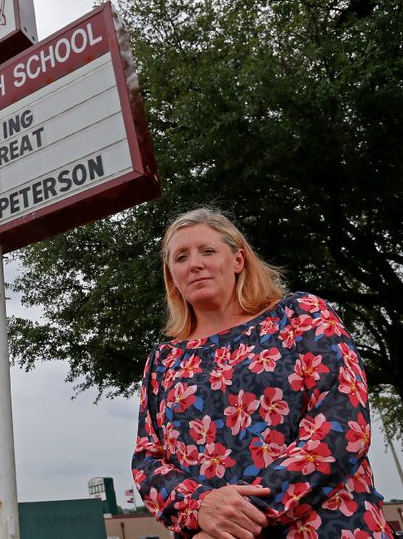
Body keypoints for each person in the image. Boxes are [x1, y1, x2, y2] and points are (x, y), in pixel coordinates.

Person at [132, 208, 393, 538]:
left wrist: (238, 517)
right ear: (172, 276)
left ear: (238, 260)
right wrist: (200, 508)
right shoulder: (163, 360)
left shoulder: (300, 316)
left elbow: (342, 423)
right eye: (181, 257)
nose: (194, 263)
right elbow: (147, 461)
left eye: (207, 251)